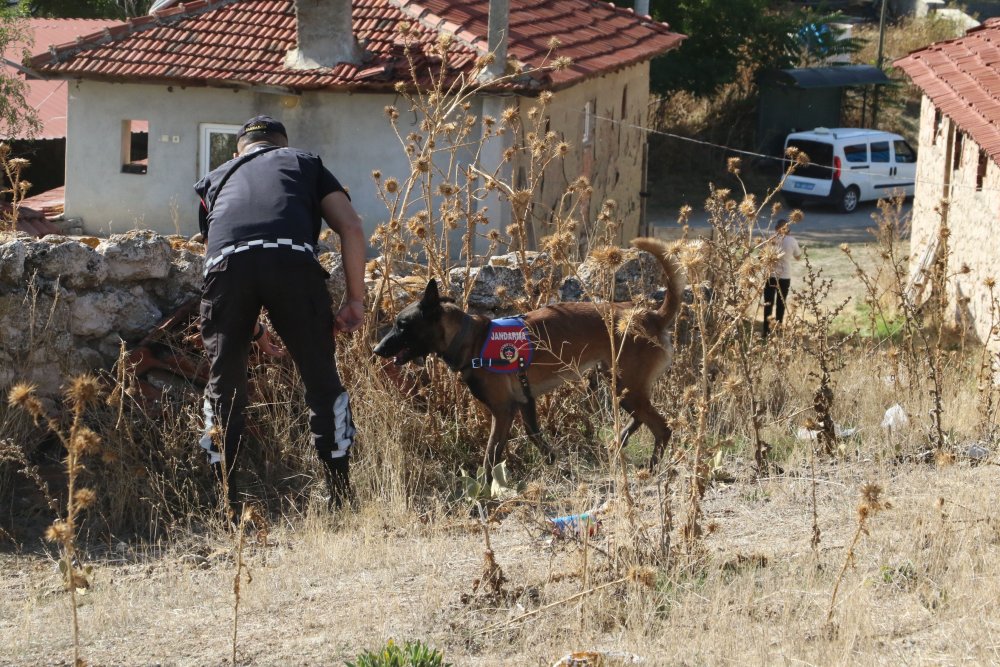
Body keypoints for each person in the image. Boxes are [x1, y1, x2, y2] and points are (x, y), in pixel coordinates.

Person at [193, 115, 367, 511]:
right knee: (321, 379)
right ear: (280, 145)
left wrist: (251, 327)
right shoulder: (305, 162)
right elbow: (351, 227)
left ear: (240, 150)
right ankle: (340, 497)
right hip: (291, 261)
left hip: (226, 268)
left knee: (225, 386)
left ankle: (226, 503)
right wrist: (355, 299)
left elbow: (221, 252)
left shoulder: (214, 179)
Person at [762, 218, 802, 339]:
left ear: (776, 229)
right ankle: (779, 329)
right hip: (785, 276)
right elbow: (798, 256)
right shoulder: (792, 241)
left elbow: (761, 255)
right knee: (781, 303)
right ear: (788, 229)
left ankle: (766, 330)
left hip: (770, 275)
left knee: (768, 303)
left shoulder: (770, 239)